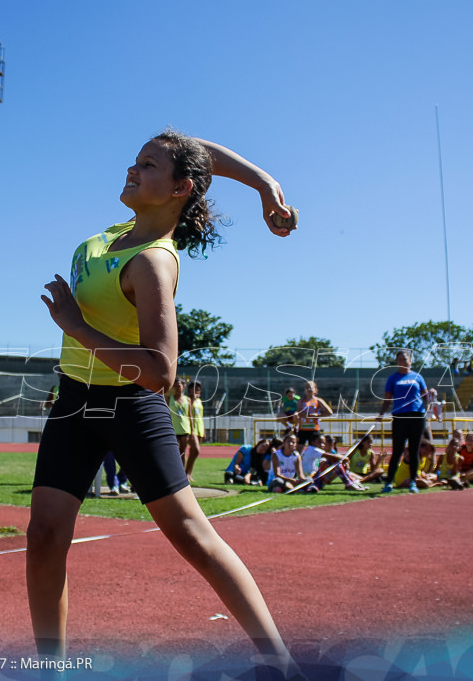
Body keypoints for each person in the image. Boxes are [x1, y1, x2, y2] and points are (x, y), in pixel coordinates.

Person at [29, 130, 299, 676]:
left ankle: (282, 663)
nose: (132, 170)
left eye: (147, 166)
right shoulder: (112, 236)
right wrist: (266, 185)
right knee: (44, 534)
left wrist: (75, 326)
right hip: (76, 405)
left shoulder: (154, 262)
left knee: (193, 537)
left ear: (181, 189)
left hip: (131, 405)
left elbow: (160, 373)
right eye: (135, 161)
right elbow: (192, 148)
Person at [377, 349, 429, 494]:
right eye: (399, 360)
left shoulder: (417, 377)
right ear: (397, 362)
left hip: (417, 416)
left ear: (410, 361)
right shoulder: (393, 378)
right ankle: (388, 483)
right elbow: (387, 399)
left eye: (405, 359)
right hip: (400, 417)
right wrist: (381, 414)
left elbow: (426, 396)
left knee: (414, 450)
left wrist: (431, 394)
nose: (402, 362)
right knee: (397, 450)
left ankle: (413, 481)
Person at [296, 380, 333, 446]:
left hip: (314, 429)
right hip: (302, 429)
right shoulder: (301, 401)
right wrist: (311, 415)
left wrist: (318, 416)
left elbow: (329, 412)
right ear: (305, 390)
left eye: (311, 387)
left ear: (315, 390)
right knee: (299, 448)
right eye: (307, 387)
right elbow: (300, 413)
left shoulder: (318, 400)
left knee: (314, 449)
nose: (309, 389)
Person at [167, 377, 192, 459]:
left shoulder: (187, 400)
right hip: (173, 429)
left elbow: (190, 415)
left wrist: (193, 430)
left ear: (183, 386)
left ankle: (182, 471)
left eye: (179, 385)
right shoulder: (169, 399)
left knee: (183, 452)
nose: (177, 388)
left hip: (185, 429)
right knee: (172, 452)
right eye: (175, 386)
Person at [185, 380, 205, 481]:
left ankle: (188, 473)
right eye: (195, 388)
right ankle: (186, 473)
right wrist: (192, 399)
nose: (197, 390)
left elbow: (200, 416)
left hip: (199, 429)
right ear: (189, 389)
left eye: (199, 388)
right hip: (190, 429)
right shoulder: (187, 400)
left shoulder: (199, 401)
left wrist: (203, 430)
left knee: (194, 452)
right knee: (195, 450)